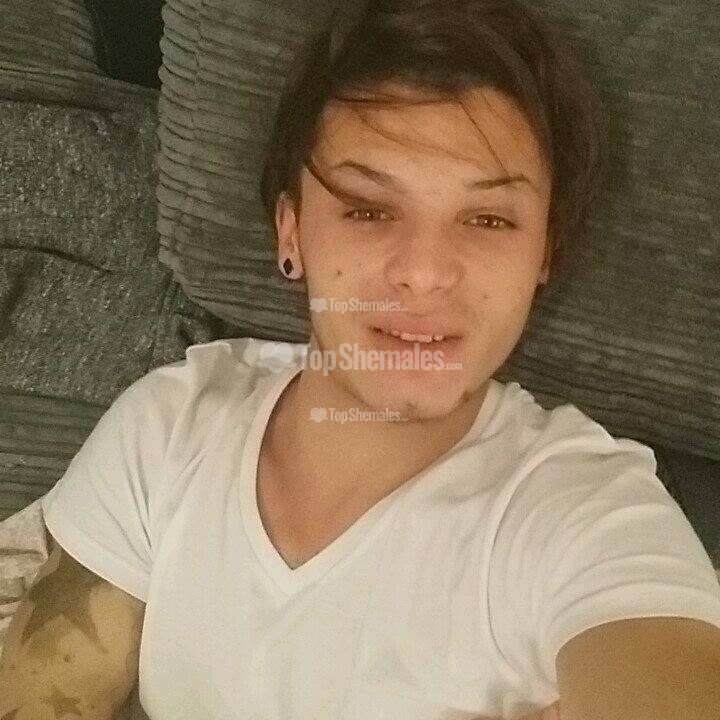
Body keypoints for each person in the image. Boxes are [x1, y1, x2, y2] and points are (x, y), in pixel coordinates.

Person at [2, 1, 720, 719]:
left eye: (489, 219)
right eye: (369, 209)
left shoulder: (584, 508)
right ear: (292, 233)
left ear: (543, 258)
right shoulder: (172, 425)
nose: (424, 274)